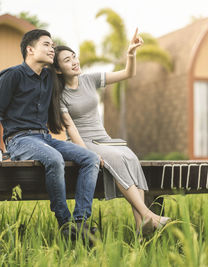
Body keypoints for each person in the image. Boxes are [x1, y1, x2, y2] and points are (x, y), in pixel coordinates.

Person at [0, 29, 100, 237]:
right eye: (46, 44)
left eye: (53, 45)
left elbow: (69, 73)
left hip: (45, 138)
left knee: (91, 158)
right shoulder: (12, 75)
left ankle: (81, 222)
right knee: (55, 159)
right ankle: (65, 224)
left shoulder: (49, 77)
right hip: (19, 140)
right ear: (30, 50)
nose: (51, 48)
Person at [52, 28, 171, 235]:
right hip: (82, 141)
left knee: (131, 158)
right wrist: (87, 153)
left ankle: (142, 227)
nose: (74, 61)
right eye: (67, 60)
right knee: (115, 158)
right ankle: (148, 215)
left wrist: (131, 53)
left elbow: (128, 73)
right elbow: (71, 128)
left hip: (103, 138)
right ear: (58, 70)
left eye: (74, 57)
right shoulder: (59, 95)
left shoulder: (89, 79)